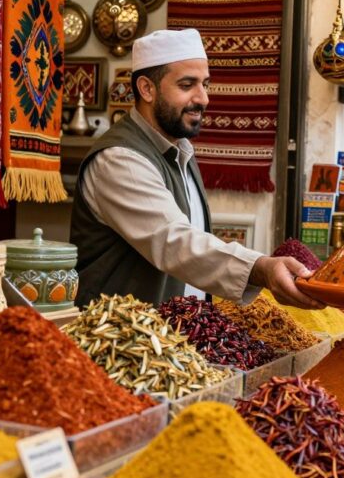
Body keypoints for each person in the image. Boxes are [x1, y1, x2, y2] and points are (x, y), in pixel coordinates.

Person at [69, 29, 321, 308]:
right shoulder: (119, 159)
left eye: (205, 84)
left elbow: (194, 242)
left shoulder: (180, 151)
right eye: (187, 85)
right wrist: (260, 269)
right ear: (147, 89)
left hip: (170, 340)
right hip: (119, 342)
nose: (203, 99)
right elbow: (174, 242)